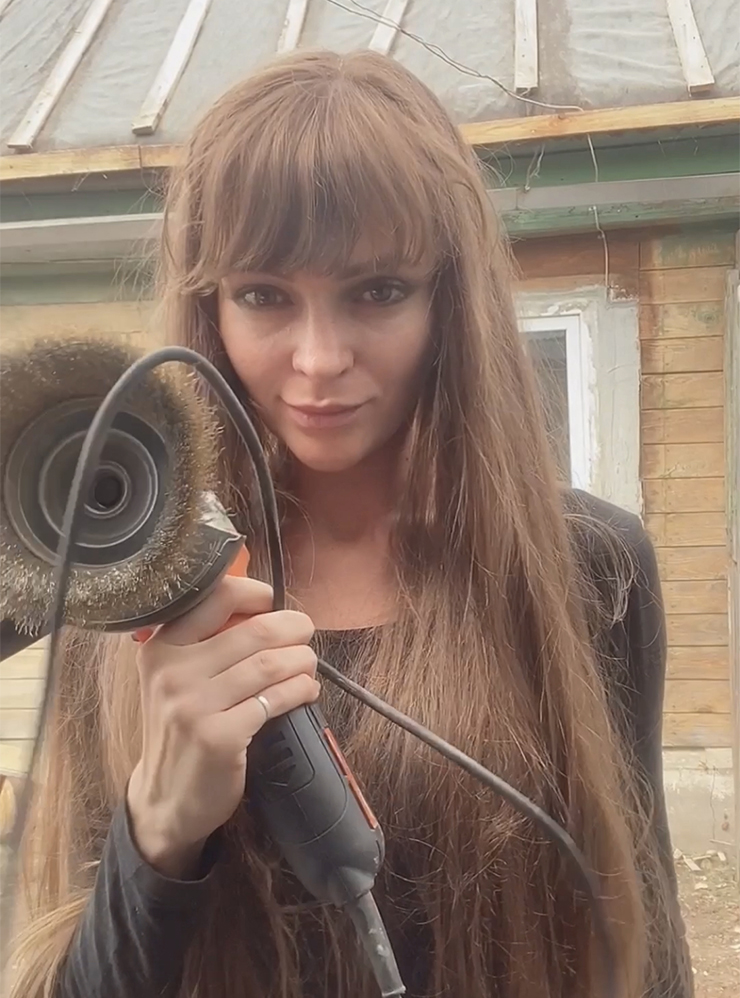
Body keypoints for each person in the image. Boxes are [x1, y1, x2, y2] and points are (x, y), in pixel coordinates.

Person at [8, 49, 693, 998]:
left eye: (377, 291)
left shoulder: (593, 565)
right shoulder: (127, 586)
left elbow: (640, 937)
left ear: (449, 302)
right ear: (211, 309)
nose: (320, 359)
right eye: (264, 295)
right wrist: (160, 828)